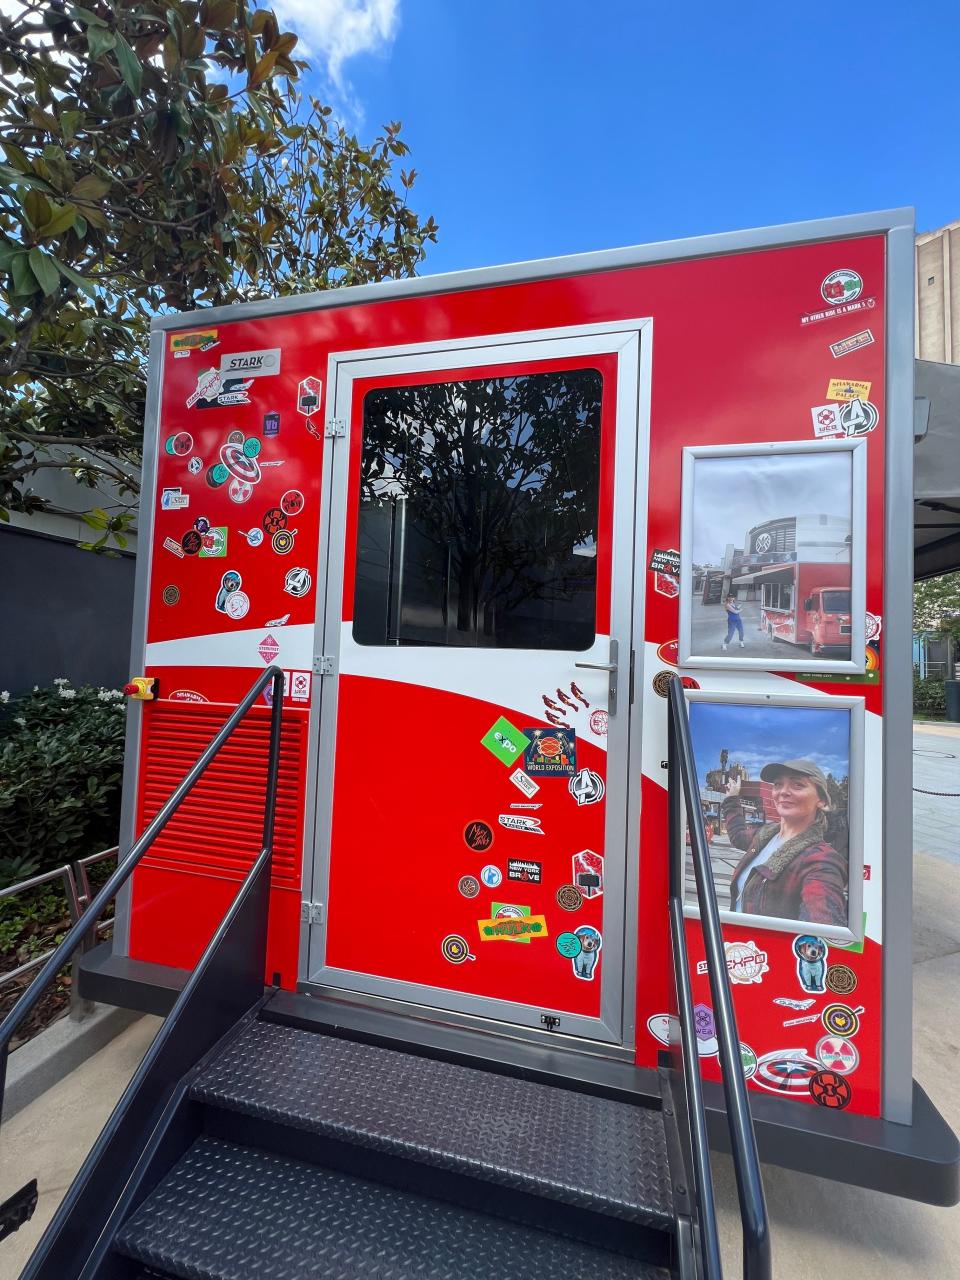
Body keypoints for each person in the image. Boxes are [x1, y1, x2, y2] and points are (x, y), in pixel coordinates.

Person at [720, 759, 847, 926]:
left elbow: (823, 927)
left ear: (822, 801)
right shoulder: (765, 835)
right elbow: (738, 835)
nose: (783, 792)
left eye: (798, 785)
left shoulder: (821, 862)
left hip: (763, 951)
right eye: (778, 784)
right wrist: (732, 799)